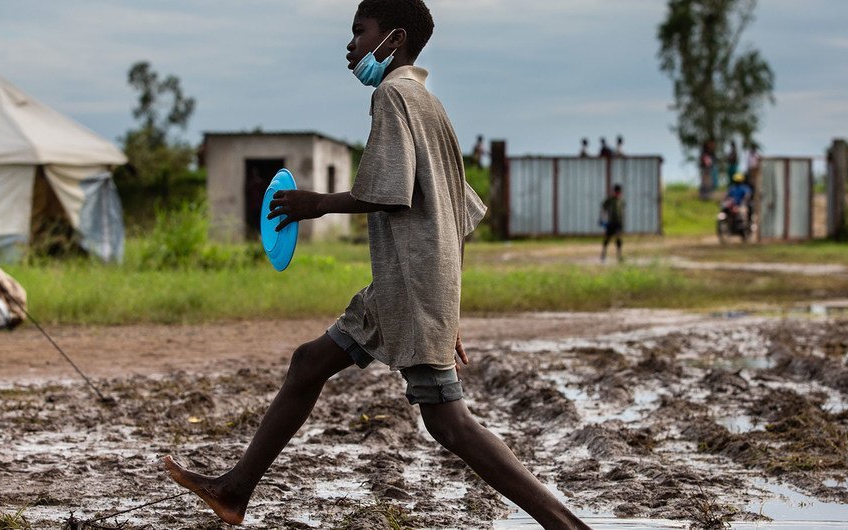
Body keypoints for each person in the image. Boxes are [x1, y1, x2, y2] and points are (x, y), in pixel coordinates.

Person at [161, 3, 590, 529]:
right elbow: (460, 215)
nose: (351, 45)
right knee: (308, 363)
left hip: (411, 285)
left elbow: (388, 191)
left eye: (359, 32)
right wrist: (448, 303)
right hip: (404, 283)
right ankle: (234, 491)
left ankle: (567, 526)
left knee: (450, 423)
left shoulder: (393, 96)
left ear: (395, 38)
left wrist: (315, 204)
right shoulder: (429, 104)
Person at [600, 184, 624, 263]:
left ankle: (619, 255)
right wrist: (602, 218)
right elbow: (603, 207)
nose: (617, 194)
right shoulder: (610, 200)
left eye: (619, 192)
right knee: (607, 238)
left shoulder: (621, 200)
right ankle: (603, 253)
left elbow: (621, 211)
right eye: (616, 192)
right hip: (611, 222)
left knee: (618, 238)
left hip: (618, 223)